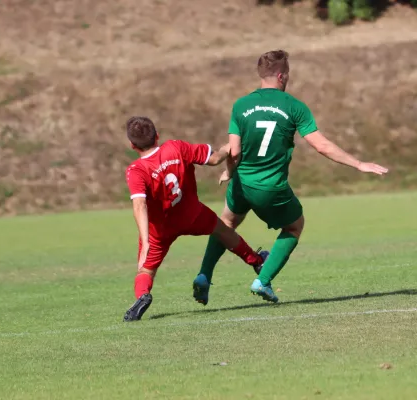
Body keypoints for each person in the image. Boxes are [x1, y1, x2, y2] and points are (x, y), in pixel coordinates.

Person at [192, 50, 389, 304]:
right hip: (270, 187)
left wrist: (229, 172)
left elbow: (235, 150)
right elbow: (322, 146)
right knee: (295, 225)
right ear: (282, 76)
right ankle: (262, 280)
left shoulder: (240, 105)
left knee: (226, 223)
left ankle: (203, 276)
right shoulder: (294, 107)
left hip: (242, 183)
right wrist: (358, 164)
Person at [123, 116, 267, 321]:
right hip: (193, 214)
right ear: (157, 136)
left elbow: (139, 205)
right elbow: (215, 159)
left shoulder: (136, 170)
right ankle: (256, 261)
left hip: (160, 229)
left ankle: (143, 296)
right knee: (223, 231)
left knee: (146, 269)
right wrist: (229, 146)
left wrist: (146, 240)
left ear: (132, 145)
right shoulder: (176, 147)